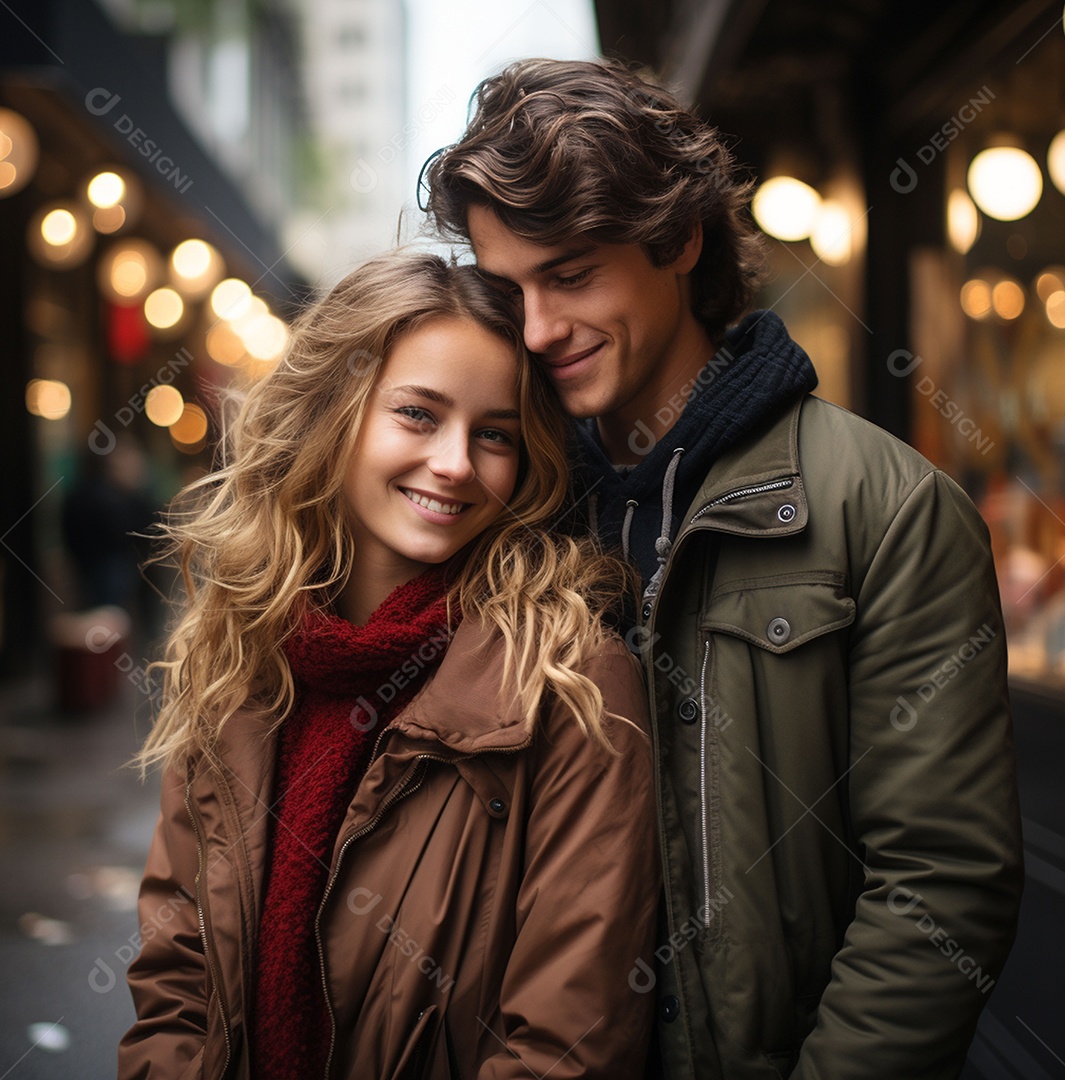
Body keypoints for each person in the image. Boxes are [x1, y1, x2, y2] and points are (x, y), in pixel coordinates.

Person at [422, 58, 1024, 1080]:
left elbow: (940, 884)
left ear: (679, 238)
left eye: (570, 275)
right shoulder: (498, 510)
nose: (536, 330)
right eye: (507, 289)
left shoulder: (889, 508)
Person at [117, 250, 661, 1080]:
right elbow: (174, 981)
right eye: (417, 414)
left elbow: (568, 1047)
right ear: (336, 416)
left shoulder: (571, 685)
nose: (453, 462)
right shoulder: (241, 654)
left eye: (494, 435)